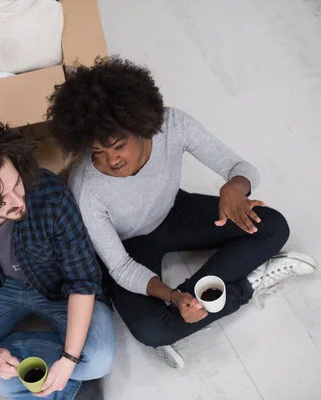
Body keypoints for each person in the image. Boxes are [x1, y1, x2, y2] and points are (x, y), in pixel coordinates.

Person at [46, 56, 317, 369]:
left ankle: (183, 316)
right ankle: (246, 287)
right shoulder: (86, 188)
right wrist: (173, 297)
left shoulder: (172, 125)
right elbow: (120, 268)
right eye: (98, 153)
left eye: (118, 145)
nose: (111, 160)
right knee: (150, 330)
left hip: (174, 210)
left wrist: (235, 189)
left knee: (274, 226)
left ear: (138, 124)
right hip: (131, 247)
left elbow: (239, 167)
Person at [0, 123, 116, 399]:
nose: (18, 199)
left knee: (99, 358)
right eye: (1, 202)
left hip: (58, 288)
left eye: (16, 183)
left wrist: (70, 358)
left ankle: (56, 373)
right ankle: (68, 382)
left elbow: (82, 280)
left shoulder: (49, 193)